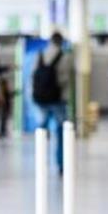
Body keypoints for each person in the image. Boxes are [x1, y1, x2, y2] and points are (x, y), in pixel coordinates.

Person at [32, 31, 73, 175]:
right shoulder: (65, 56)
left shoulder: (40, 54)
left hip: (41, 99)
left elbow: (34, 75)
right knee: (62, 132)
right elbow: (64, 79)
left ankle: (40, 160)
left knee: (42, 130)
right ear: (61, 42)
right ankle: (60, 163)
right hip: (58, 99)